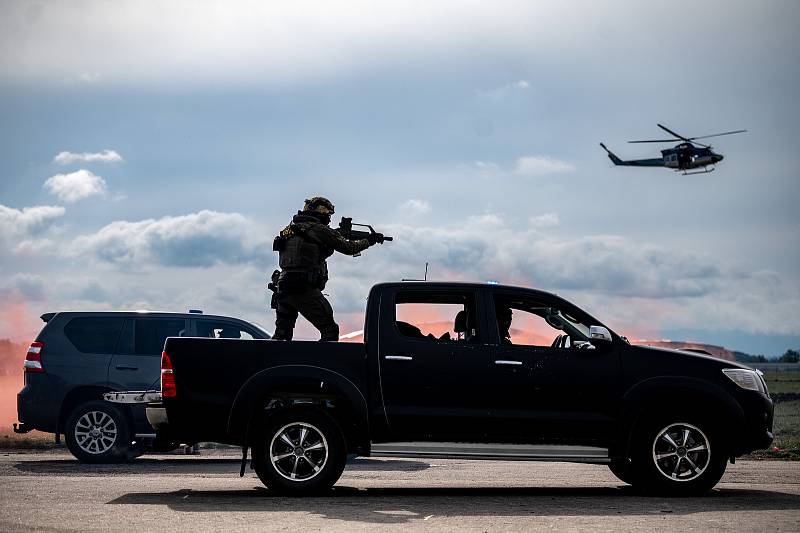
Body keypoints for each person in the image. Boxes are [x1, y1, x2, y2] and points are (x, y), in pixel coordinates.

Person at [270, 196, 380, 341]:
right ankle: (322, 363)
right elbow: (349, 248)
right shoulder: (318, 230)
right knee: (330, 330)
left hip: (283, 287)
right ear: (321, 214)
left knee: (281, 336)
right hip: (303, 288)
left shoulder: (289, 230)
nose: (329, 220)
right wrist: (369, 241)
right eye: (328, 216)